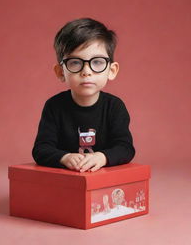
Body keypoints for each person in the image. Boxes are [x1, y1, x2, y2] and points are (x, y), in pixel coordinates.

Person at [32, 18, 135, 173]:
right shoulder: (54, 106)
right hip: (67, 181)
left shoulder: (114, 107)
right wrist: (64, 157)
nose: (86, 71)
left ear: (112, 70)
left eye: (97, 62)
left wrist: (103, 157)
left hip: (102, 181)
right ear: (60, 72)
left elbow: (126, 148)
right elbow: (41, 149)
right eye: (75, 63)